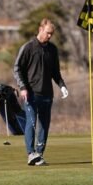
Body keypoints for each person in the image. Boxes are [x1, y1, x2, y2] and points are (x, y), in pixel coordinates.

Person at [13, 18, 68, 166]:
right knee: (31, 124)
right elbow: (17, 69)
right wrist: (23, 87)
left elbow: (55, 72)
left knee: (44, 125)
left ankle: (39, 154)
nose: (49, 36)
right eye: (48, 33)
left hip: (47, 95)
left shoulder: (52, 50)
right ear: (40, 29)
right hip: (31, 94)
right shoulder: (28, 47)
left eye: (52, 34)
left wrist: (62, 85)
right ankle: (31, 153)